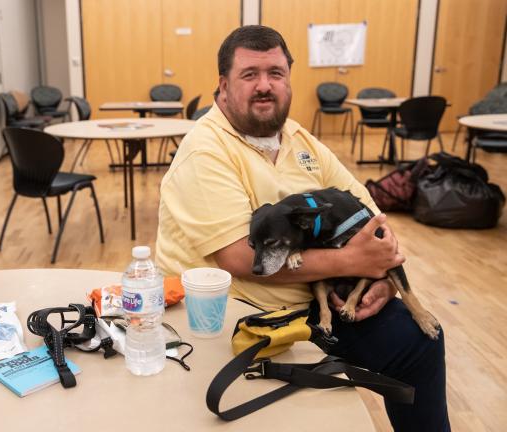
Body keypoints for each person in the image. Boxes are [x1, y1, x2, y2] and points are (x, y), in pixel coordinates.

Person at [156, 25, 449, 431]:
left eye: (275, 73)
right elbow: (240, 258)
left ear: (289, 80)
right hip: (237, 312)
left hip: (317, 298)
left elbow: (371, 215)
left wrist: (382, 278)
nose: (265, 86)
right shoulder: (205, 150)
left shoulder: (299, 138)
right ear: (222, 86)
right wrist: (350, 259)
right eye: (249, 74)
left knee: (419, 342)